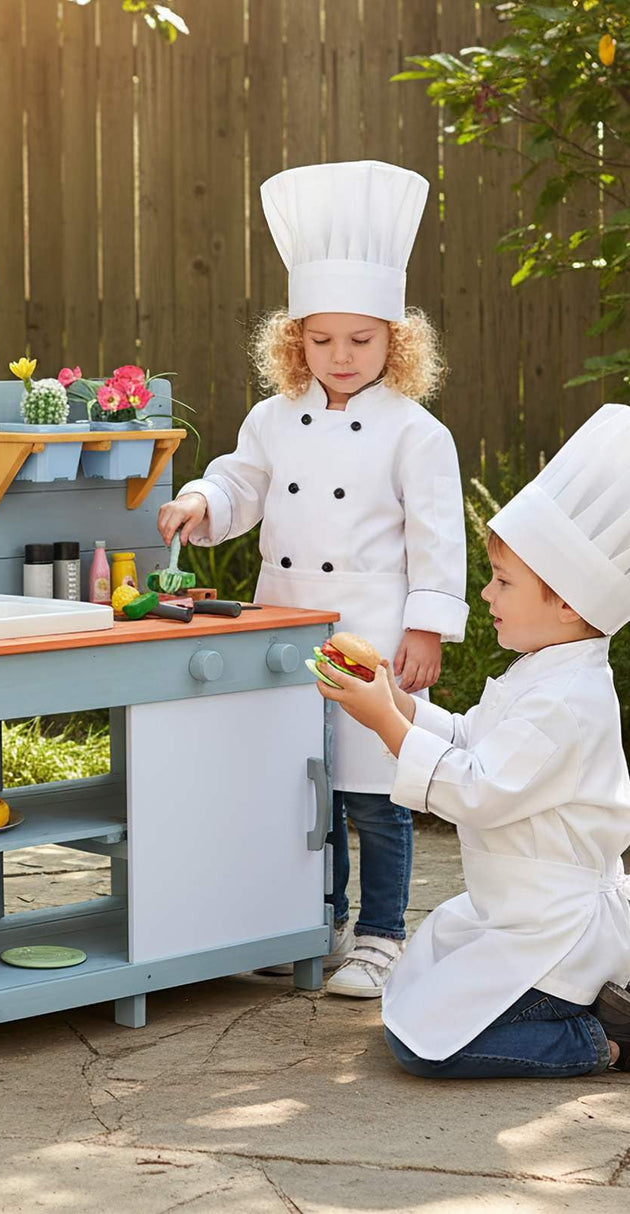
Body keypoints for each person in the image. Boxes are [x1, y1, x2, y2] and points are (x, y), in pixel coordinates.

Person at [158, 161, 468, 997]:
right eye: (320, 340)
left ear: (395, 342)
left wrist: (427, 630)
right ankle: (316, 919)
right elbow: (242, 485)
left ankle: (381, 935)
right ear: (293, 341)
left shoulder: (417, 433)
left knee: (378, 793)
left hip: (374, 634)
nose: (339, 356)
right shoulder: (269, 419)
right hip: (287, 628)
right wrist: (200, 499)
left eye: (360, 341)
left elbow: (440, 540)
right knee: (308, 789)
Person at [315, 403, 630, 1075]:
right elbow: (471, 739)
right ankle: (586, 1011)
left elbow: (479, 790)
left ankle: (595, 1042)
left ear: (570, 603)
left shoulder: (569, 702)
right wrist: (401, 701)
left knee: (427, 1048)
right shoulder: (544, 671)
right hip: (515, 914)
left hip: (552, 934)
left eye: (504, 582)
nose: (486, 595)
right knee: (416, 996)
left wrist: (385, 723)